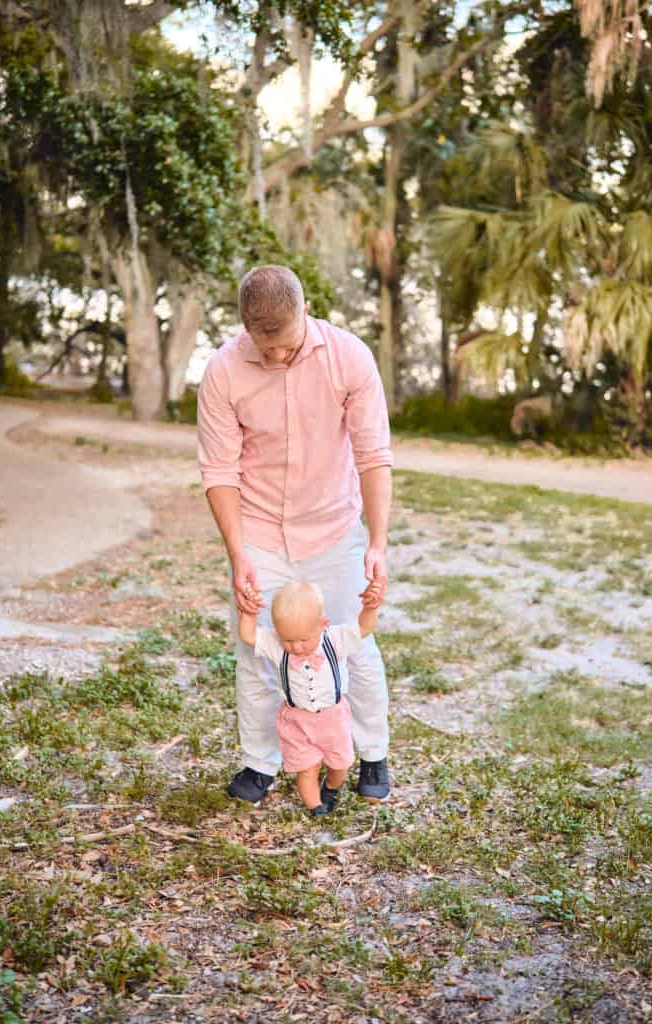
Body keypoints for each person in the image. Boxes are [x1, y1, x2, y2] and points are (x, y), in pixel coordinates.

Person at [197, 264, 392, 804]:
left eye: (286, 346)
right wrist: (238, 557)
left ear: (306, 311)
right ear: (244, 329)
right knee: (257, 655)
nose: (277, 359)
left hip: (332, 525)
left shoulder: (350, 357)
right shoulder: (223, 370)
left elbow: (373, 455)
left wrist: (376, 543)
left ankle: (372, 754)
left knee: (355, 648)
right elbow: (219, 471)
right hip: (259, 528)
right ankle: (260, 763)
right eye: (265, 350)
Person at [238, 579, 383, 815]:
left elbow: (364, 628)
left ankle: (331, 788)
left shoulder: (334, 640)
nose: (295, 647)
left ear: (322, 624)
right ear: (277, 631)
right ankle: (316, 807)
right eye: (288, 639)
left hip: (333, 718)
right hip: (297, 721)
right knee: (307, 768)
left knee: (340, 764)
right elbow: (248, 635)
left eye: (303, 640)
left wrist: (371, 607)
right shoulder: (276, 645)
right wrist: (248, 613)